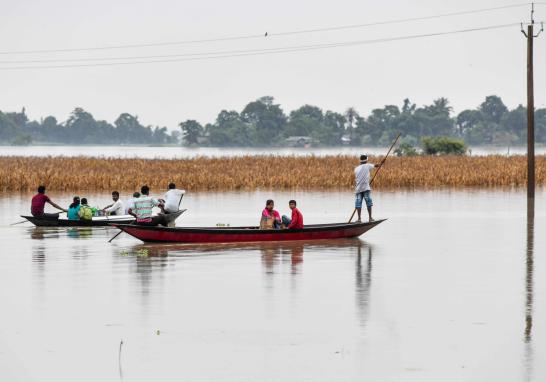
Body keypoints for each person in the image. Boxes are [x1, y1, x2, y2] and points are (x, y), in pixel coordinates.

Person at [354, 154, 384, 222]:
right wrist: (381, 163)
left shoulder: (356, 168)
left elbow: (359, 177)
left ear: (360, 161)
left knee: (358, 204)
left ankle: (359, 219)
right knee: (368, 203)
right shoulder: (368, 165)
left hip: (358, 189)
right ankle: (370, 218)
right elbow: (377, 165)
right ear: (366, 160)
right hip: (365, 188)